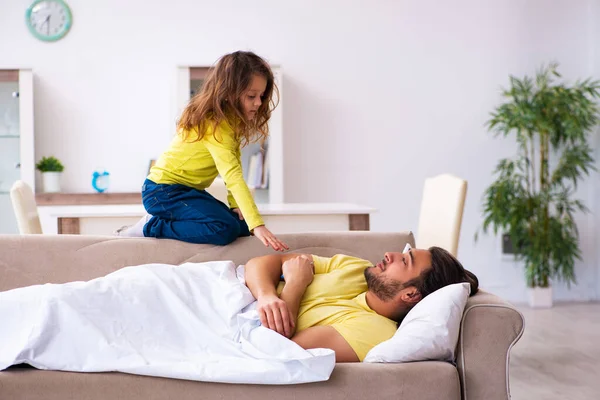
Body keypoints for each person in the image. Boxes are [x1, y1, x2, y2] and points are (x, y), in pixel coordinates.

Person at [117, 51, 288, 251]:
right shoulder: (214, 125)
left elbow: (233, 166)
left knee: (240, 227)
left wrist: (236, 205)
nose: (258, 103)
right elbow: (232, 175)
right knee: (224, 228)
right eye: (252, 96)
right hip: (162, 191)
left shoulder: (231, 124)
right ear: (229, 92)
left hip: (187, 191)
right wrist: (257, 224)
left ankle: (159, 222)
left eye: (261, 96)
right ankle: (151, 226)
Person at [244, 244, 479, 362]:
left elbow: (277, 351)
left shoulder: (373, 332)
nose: (390, 254)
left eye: (404, 261)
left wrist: (295, 284)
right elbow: (259, 263)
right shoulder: (356, 268)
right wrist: (266, 295)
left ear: (410, 295)